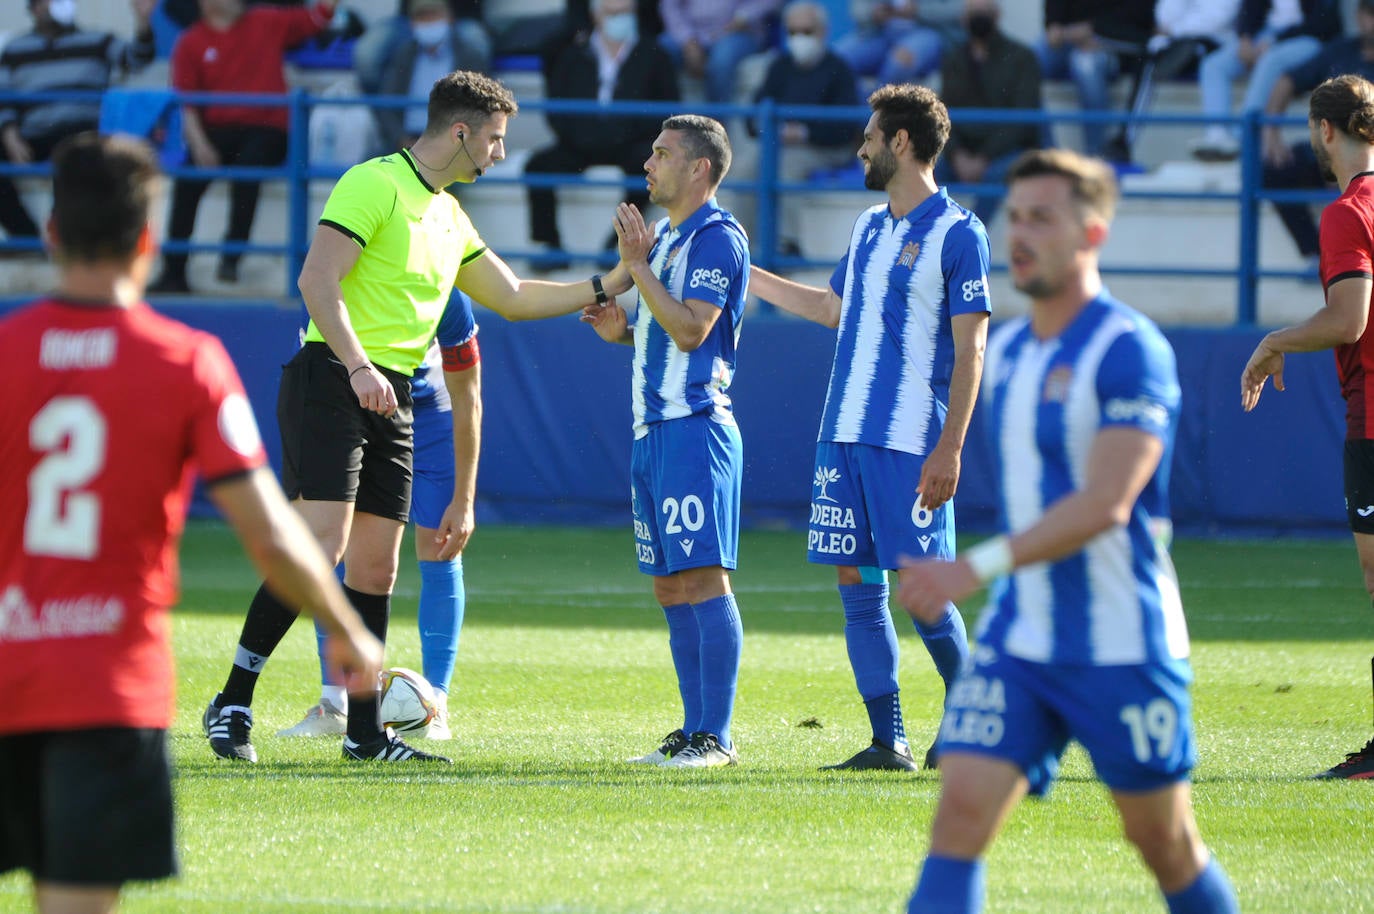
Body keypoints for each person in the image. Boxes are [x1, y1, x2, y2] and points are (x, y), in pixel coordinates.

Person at [0, 132, 383, 914]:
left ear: (50, 234)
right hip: (104, 689)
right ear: (149, 239)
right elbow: (272, 534)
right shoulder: (187, 362)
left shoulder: (8, 352)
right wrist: (344, 626)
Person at [201, 70, 615, 765]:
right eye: (496, 139)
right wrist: (360, 366)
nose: (501, 154)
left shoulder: (451, 216)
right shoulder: (374, 183)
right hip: (333, 376)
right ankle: (233, 698)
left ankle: (365, 734)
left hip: (387, 394)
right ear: (461, 132)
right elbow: (315, 281)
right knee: (322, 547)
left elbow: (512, 297)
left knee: (376, 570)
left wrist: (616, 279)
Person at [899, 147, 1240, 913]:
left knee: (1164, 844)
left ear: (1092, 235)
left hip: (1124, 642)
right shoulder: (1012, 353)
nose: (1019, 234)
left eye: (1042, 218)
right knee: (957, 818)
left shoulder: (1130, 350)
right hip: (1023, 641)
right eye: (1014, 217)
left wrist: (972, 568)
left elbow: (1107, 502)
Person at [747, 84, 990, 772]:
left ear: (901, 143)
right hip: (842, 432)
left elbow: (972, 348)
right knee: (856, 585)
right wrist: (750, 276)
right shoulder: (865, 227)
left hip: (909, 440)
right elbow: (831, 309)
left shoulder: (959, 232)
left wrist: (952, 446)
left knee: (922, 589)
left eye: (870, 137)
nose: (860, 148)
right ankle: (890, 742)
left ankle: (974, 721)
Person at [581, 114, 749, 768]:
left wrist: (636, 268)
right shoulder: (672, 241)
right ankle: (691, 728)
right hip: (652, 434)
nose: (648, 163)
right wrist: (621, 330)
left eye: (662, 153)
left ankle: (717, 737)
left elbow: (691, 332)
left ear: (700, 168)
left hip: (695, 430)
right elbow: (661, 331)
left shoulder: (716, 238)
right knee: (671, 587)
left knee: (704, 580)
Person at [1241, 73, 1374, 780]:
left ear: (1324, 131)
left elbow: (1348, 320)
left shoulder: (1348, 212)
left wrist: (1275, 342)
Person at [279, 290, 479, 741]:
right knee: (334, 544)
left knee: (440, 544)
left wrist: (464, 500)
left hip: (428, 412)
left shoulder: (443, 290)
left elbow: (470, 395)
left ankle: (436, 704)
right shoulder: (331, 282)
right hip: (352, 408)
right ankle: (337, 701)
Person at [149, 0, 339, 294]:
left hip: (268, 129)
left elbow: (316, 19)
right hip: (217, 130)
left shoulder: (265, 20)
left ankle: (231, 258)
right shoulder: (190, 42)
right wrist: (200, 146)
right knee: (187, 178)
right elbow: (187, 105)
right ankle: (174, 273)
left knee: (248, 165)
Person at [525, 0, 680, 270]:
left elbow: (667, 108)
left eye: (625, 12)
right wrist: (583, 136)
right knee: (538, 166)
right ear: (596, 15)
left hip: (632, 143)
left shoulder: (654, 54)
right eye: (613, 13)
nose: (620, 18)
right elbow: (557, 108)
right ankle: (550, 245)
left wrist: (624, 134)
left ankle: (617, 243)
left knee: (649, 170)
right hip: (580, 143)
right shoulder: (573, 53)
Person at [0, 0, 157, 253]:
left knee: (74, 157)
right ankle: (26, 239)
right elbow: (3, 96)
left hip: (80, 133)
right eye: (42, 3)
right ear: (32, 9)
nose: (49, 7)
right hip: (32, 135)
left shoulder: (98, 41)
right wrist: (9, 136)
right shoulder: (14, 50)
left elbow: (137, 59)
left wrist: (143, 22)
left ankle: (65, 241)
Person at [737, 0, 859, 257]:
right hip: (778, 144)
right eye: (792, 32)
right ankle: (739, 242)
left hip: (826, 148)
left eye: (806, 32)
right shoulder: (780, 66)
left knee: (787, 167)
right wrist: (768, 129)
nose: (799, 38)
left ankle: (786, 245)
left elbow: (847, 127)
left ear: (822, 32)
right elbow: (755, 113)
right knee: (745, 167)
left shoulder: (840, 69)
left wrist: (804, 133)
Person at [1261, 1, 1374, 272]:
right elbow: (1288, 80)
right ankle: (1318, 256)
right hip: (1334, 156)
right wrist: (1270, 133)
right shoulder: (1340, 51)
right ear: (1359, 16)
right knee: (1275, 170)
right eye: (1370, 13)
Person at [934, 0, 1043, 225]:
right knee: (927, 175)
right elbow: (941, 114)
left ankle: (969, 241)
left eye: (984, 13)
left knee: (995, 176)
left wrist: (984, 158)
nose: (978, 18)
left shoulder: (1021, 57)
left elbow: (1022, 120)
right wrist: (957, 156)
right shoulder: (954, 58)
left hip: (1008, 151)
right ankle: (935, 238)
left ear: (997, 16)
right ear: (963, 19)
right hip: (964, 152)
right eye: (974, 13)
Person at [1190, 0, 1342, 161]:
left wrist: (1275, 40)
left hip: (1309, 40)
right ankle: (1217, 135)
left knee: (1270, 60)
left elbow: (1322, 24)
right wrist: (1245, 38)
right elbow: (1249, 11)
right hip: (1265, 37)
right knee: (1214, 65)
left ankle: (1243, 133)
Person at [1098, 0, 1240, 164]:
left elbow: (1218, 18)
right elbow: (1165, 14)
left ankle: (1218, 137)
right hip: (1175, 40)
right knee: (1149, 59)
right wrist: (1172, 30)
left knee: (1192, 52)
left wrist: (1175, 30)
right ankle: (1124, 141)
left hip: (1215, 42)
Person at [369, 0, 494, 155]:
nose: (429, 22)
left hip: (453, 146)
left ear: (450, 18)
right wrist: (400, 139)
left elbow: (479, 107)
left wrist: (452, 142)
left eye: (434, 16)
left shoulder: (468, 56)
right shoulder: (403, 55)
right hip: (406, 143)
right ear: (412, 23)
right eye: (422, 17)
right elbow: (386, 104)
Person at [1038, 0, 1154, 158]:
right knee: (1027, 61)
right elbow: (1054, 12)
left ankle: (1094, 155)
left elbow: (1140, 12)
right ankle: (1046, 152)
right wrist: (1053, 25)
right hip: (1068, 37)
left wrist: (1096, 30)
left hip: (1113, 43)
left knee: (1085, 64)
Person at [355, 0, 491, 97]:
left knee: (476, 41)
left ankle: (475, 115)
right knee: (367, 52)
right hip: (410, 18)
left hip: (463, 17)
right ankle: (385, 120)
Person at [657, 0, 782, 104]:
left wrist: (744, 16)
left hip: (739, 32)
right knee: (658, 50)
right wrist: (688, 40)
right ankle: (661, 122)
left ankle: (714, 126)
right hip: (692, 32)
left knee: (721, 61)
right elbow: (669, 6)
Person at [835, 0, 959, 87]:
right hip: (878, 32)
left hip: (924, 31)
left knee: (899, 62)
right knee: (836, 59)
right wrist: (874, 13)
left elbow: (958, 8)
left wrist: (917, 9)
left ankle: (881, 117)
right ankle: (861, 116)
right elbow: (857, 10)